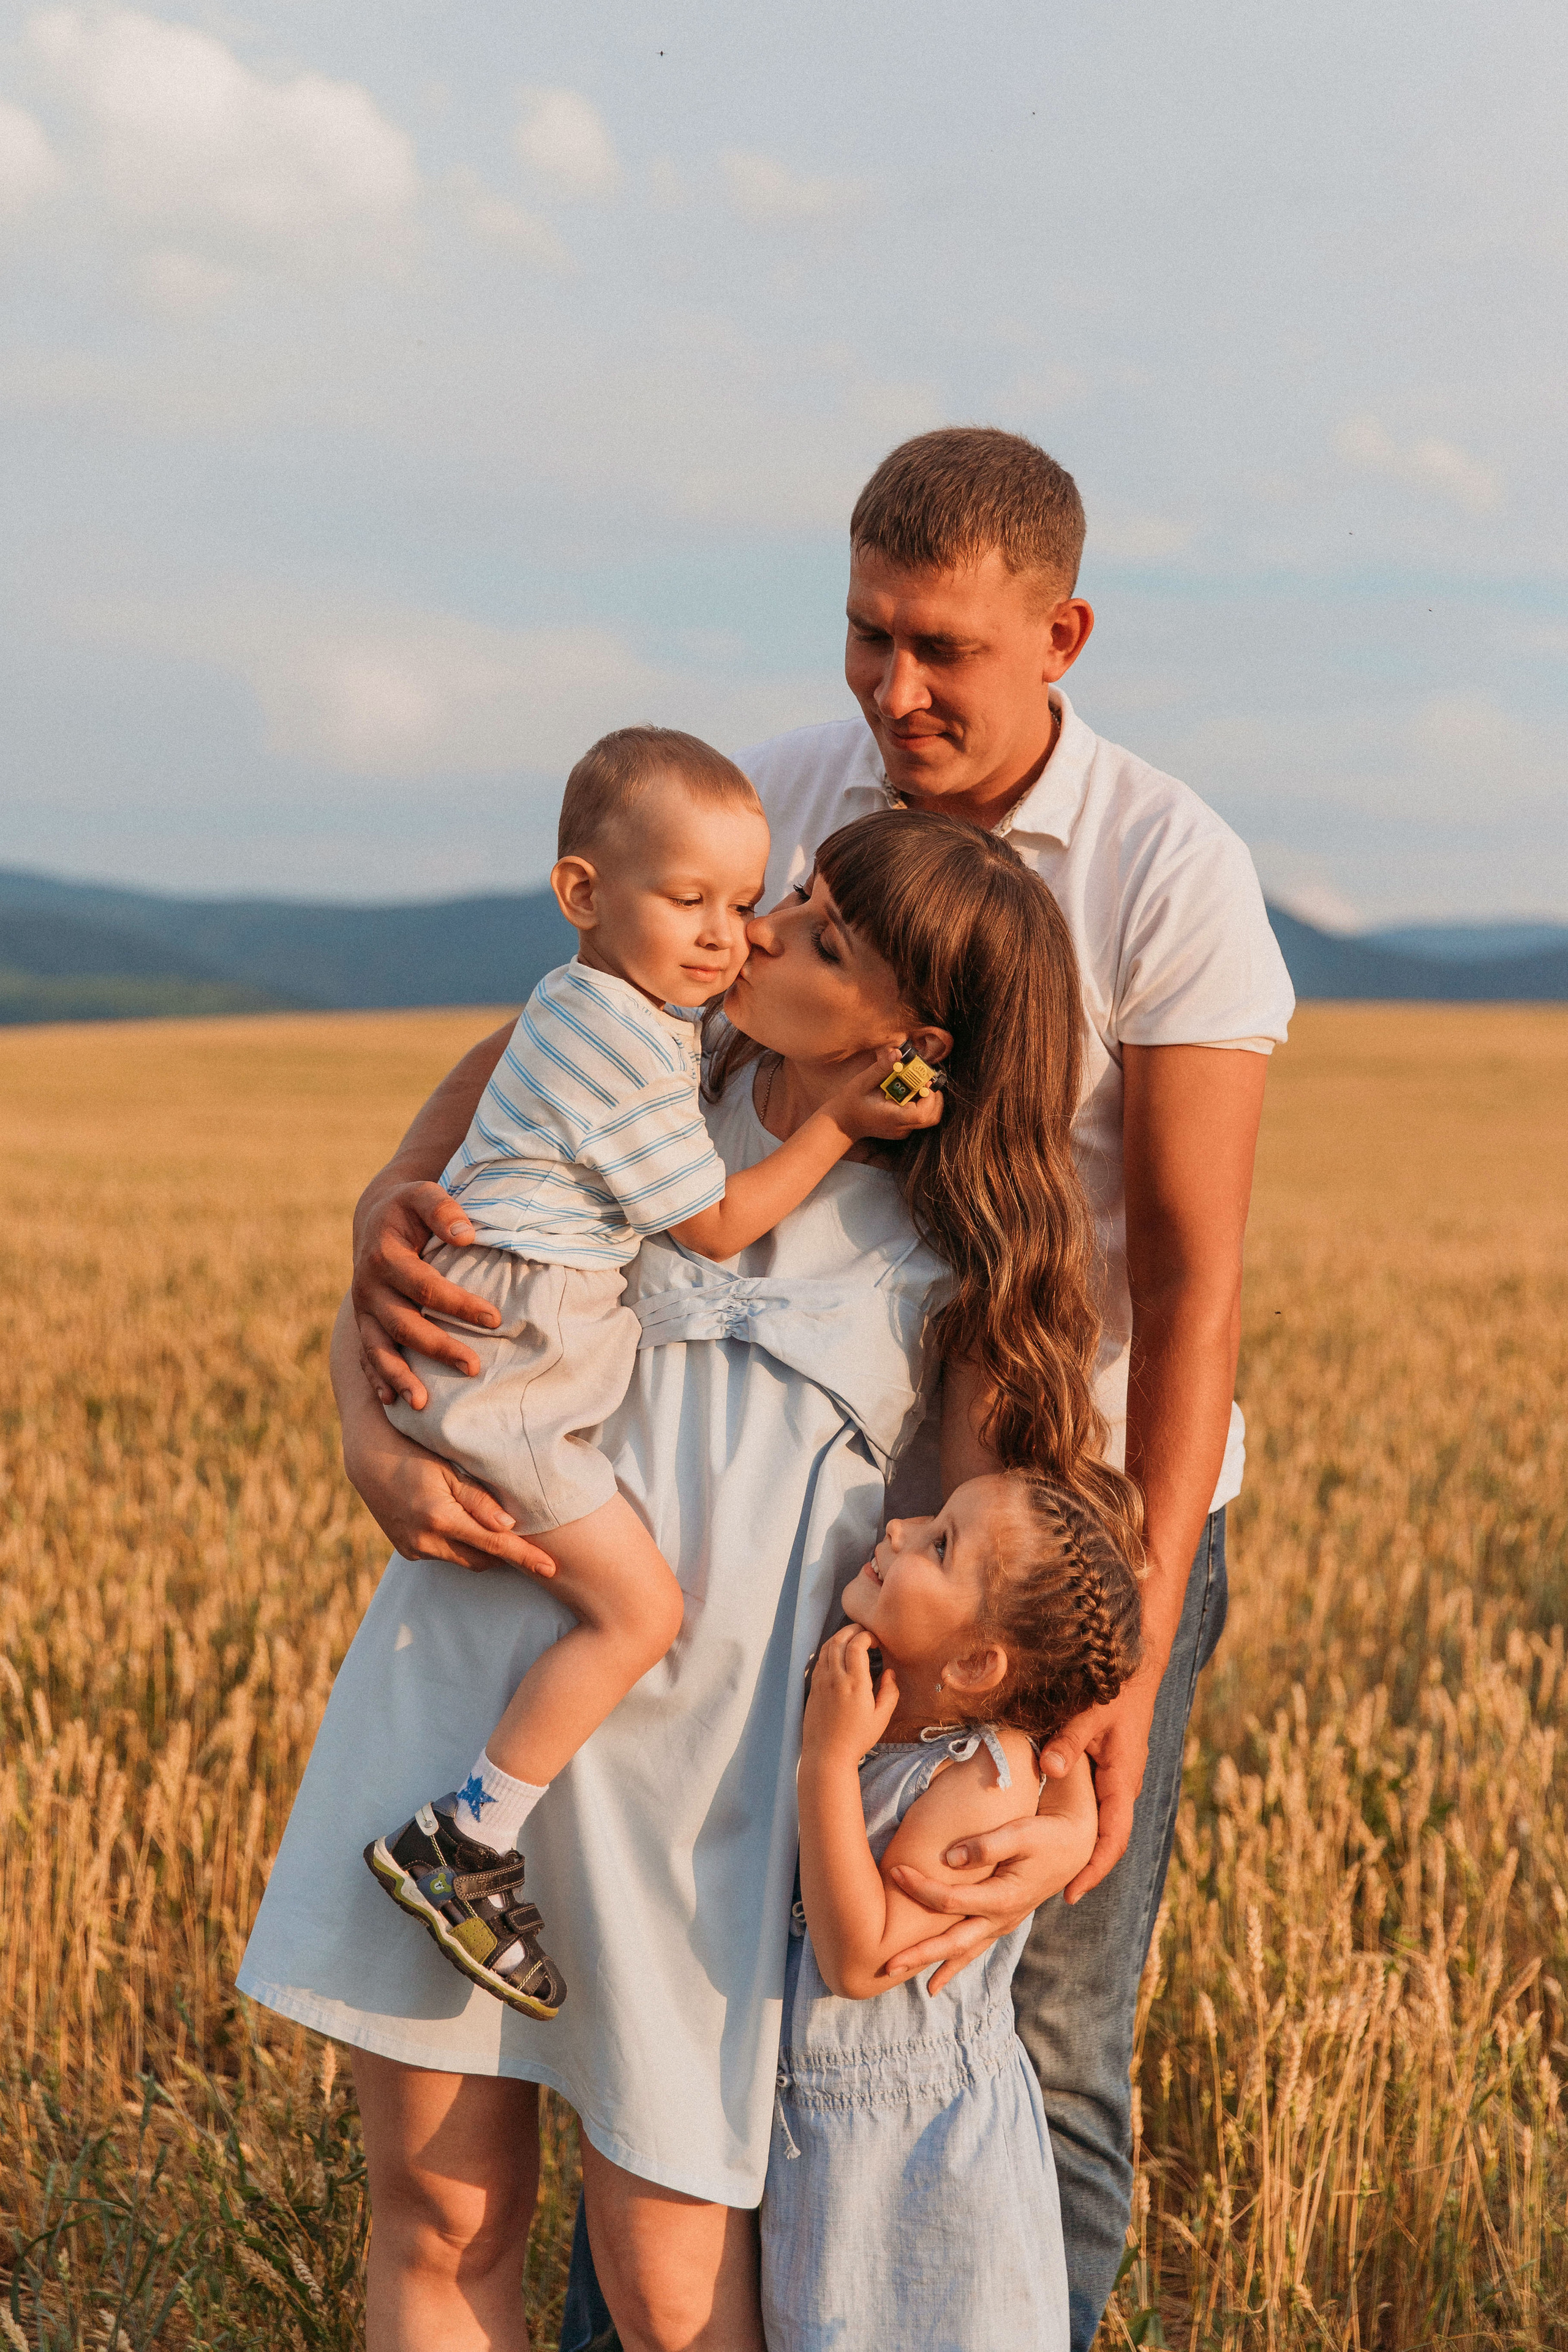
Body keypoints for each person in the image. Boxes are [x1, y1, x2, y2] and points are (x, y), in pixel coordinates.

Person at [350, 427, 1295, 2349]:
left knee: (1023, 2017)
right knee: (698, 2031)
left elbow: (1190, 1296)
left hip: (1045, 1517)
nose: (892, 689)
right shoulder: (786, 800)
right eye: (868, 634)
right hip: (761, 1532)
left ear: (1063, 637)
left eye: (943, 649)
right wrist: (388, 1208)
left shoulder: (1170, 867)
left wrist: (1103, 1669)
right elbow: (571, 1047)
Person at [241, 807, 1108, 2352]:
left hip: (708, 1792)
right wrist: (369, 1435)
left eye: (824, 940)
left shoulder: (960, 1251)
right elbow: (416, 1274)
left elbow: (997, 1599)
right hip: (475, 1688)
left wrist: (1058, 1796)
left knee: (672, 2296)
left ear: (914, 1044)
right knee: (440, 2216)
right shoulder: (627, 1064)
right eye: (796, 896)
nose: (761, 931)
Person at [365, 726, 937, 2019]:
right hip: (513, 1362)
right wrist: (839, 1121)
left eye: (746, 903)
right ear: (582, 894)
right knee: (641, 1614)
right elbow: (718, 1225)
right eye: (692, 904)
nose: (733, 938)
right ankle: (464, 1839)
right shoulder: (614, 1040)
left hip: (518, 1353)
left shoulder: (617, 1012)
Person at [763, 1475, 1142, 2352]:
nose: (899, 1526)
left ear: (975, 1667)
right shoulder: (882, 1722)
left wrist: (827, 1761)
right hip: (827, 2145)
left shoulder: (980, 1777)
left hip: (922, 2164)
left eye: (938, 1543)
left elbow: (861, 1960)